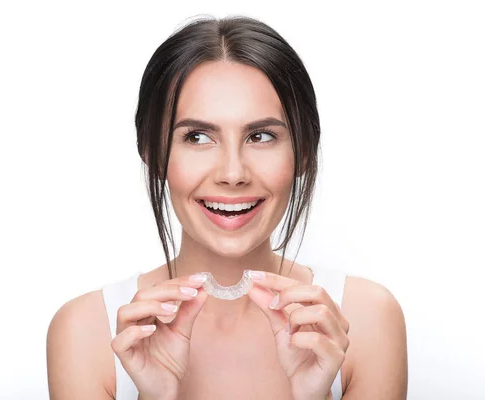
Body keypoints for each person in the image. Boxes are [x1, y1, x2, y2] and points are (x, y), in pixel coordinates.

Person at [46, 15, 408, 400]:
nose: (233, 173)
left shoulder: (366, 320)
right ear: (152, 153)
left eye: (261, 135)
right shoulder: (87, 331)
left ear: (303, 151)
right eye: (197, 136)